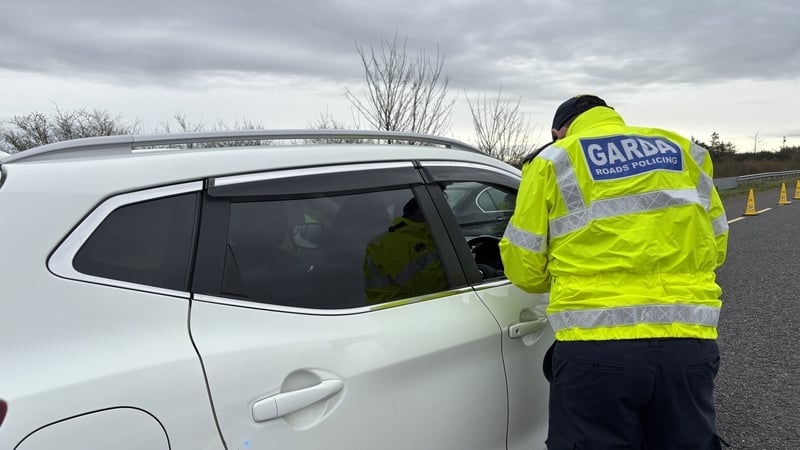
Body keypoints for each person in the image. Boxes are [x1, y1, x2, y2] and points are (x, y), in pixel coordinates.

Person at [499, 95, 729, 449]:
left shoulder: (554, 159)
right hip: (687, 342)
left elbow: (526, 269)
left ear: (558, 131)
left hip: (595, 349)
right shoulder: (685, 151)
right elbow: (716, 247)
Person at [363, 197, 447, 305]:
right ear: (420, 213)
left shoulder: (421, 234)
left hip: (401, 307)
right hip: (399, 310)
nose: (448, 214)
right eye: (439, 210)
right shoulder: (397, 242)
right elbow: (431, 288)